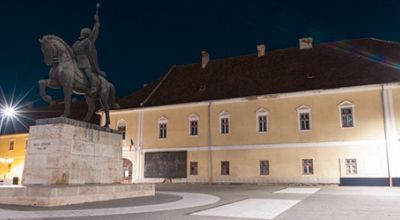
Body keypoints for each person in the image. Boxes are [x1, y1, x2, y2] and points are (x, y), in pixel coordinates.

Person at [72, 13, 106, 95]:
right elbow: (71, 52)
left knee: (88, 72)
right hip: (76, 62)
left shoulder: (88, 41)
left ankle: (94, 86)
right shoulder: (76, 43)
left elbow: (94, 32)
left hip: (85, 61)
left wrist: (97, 23)